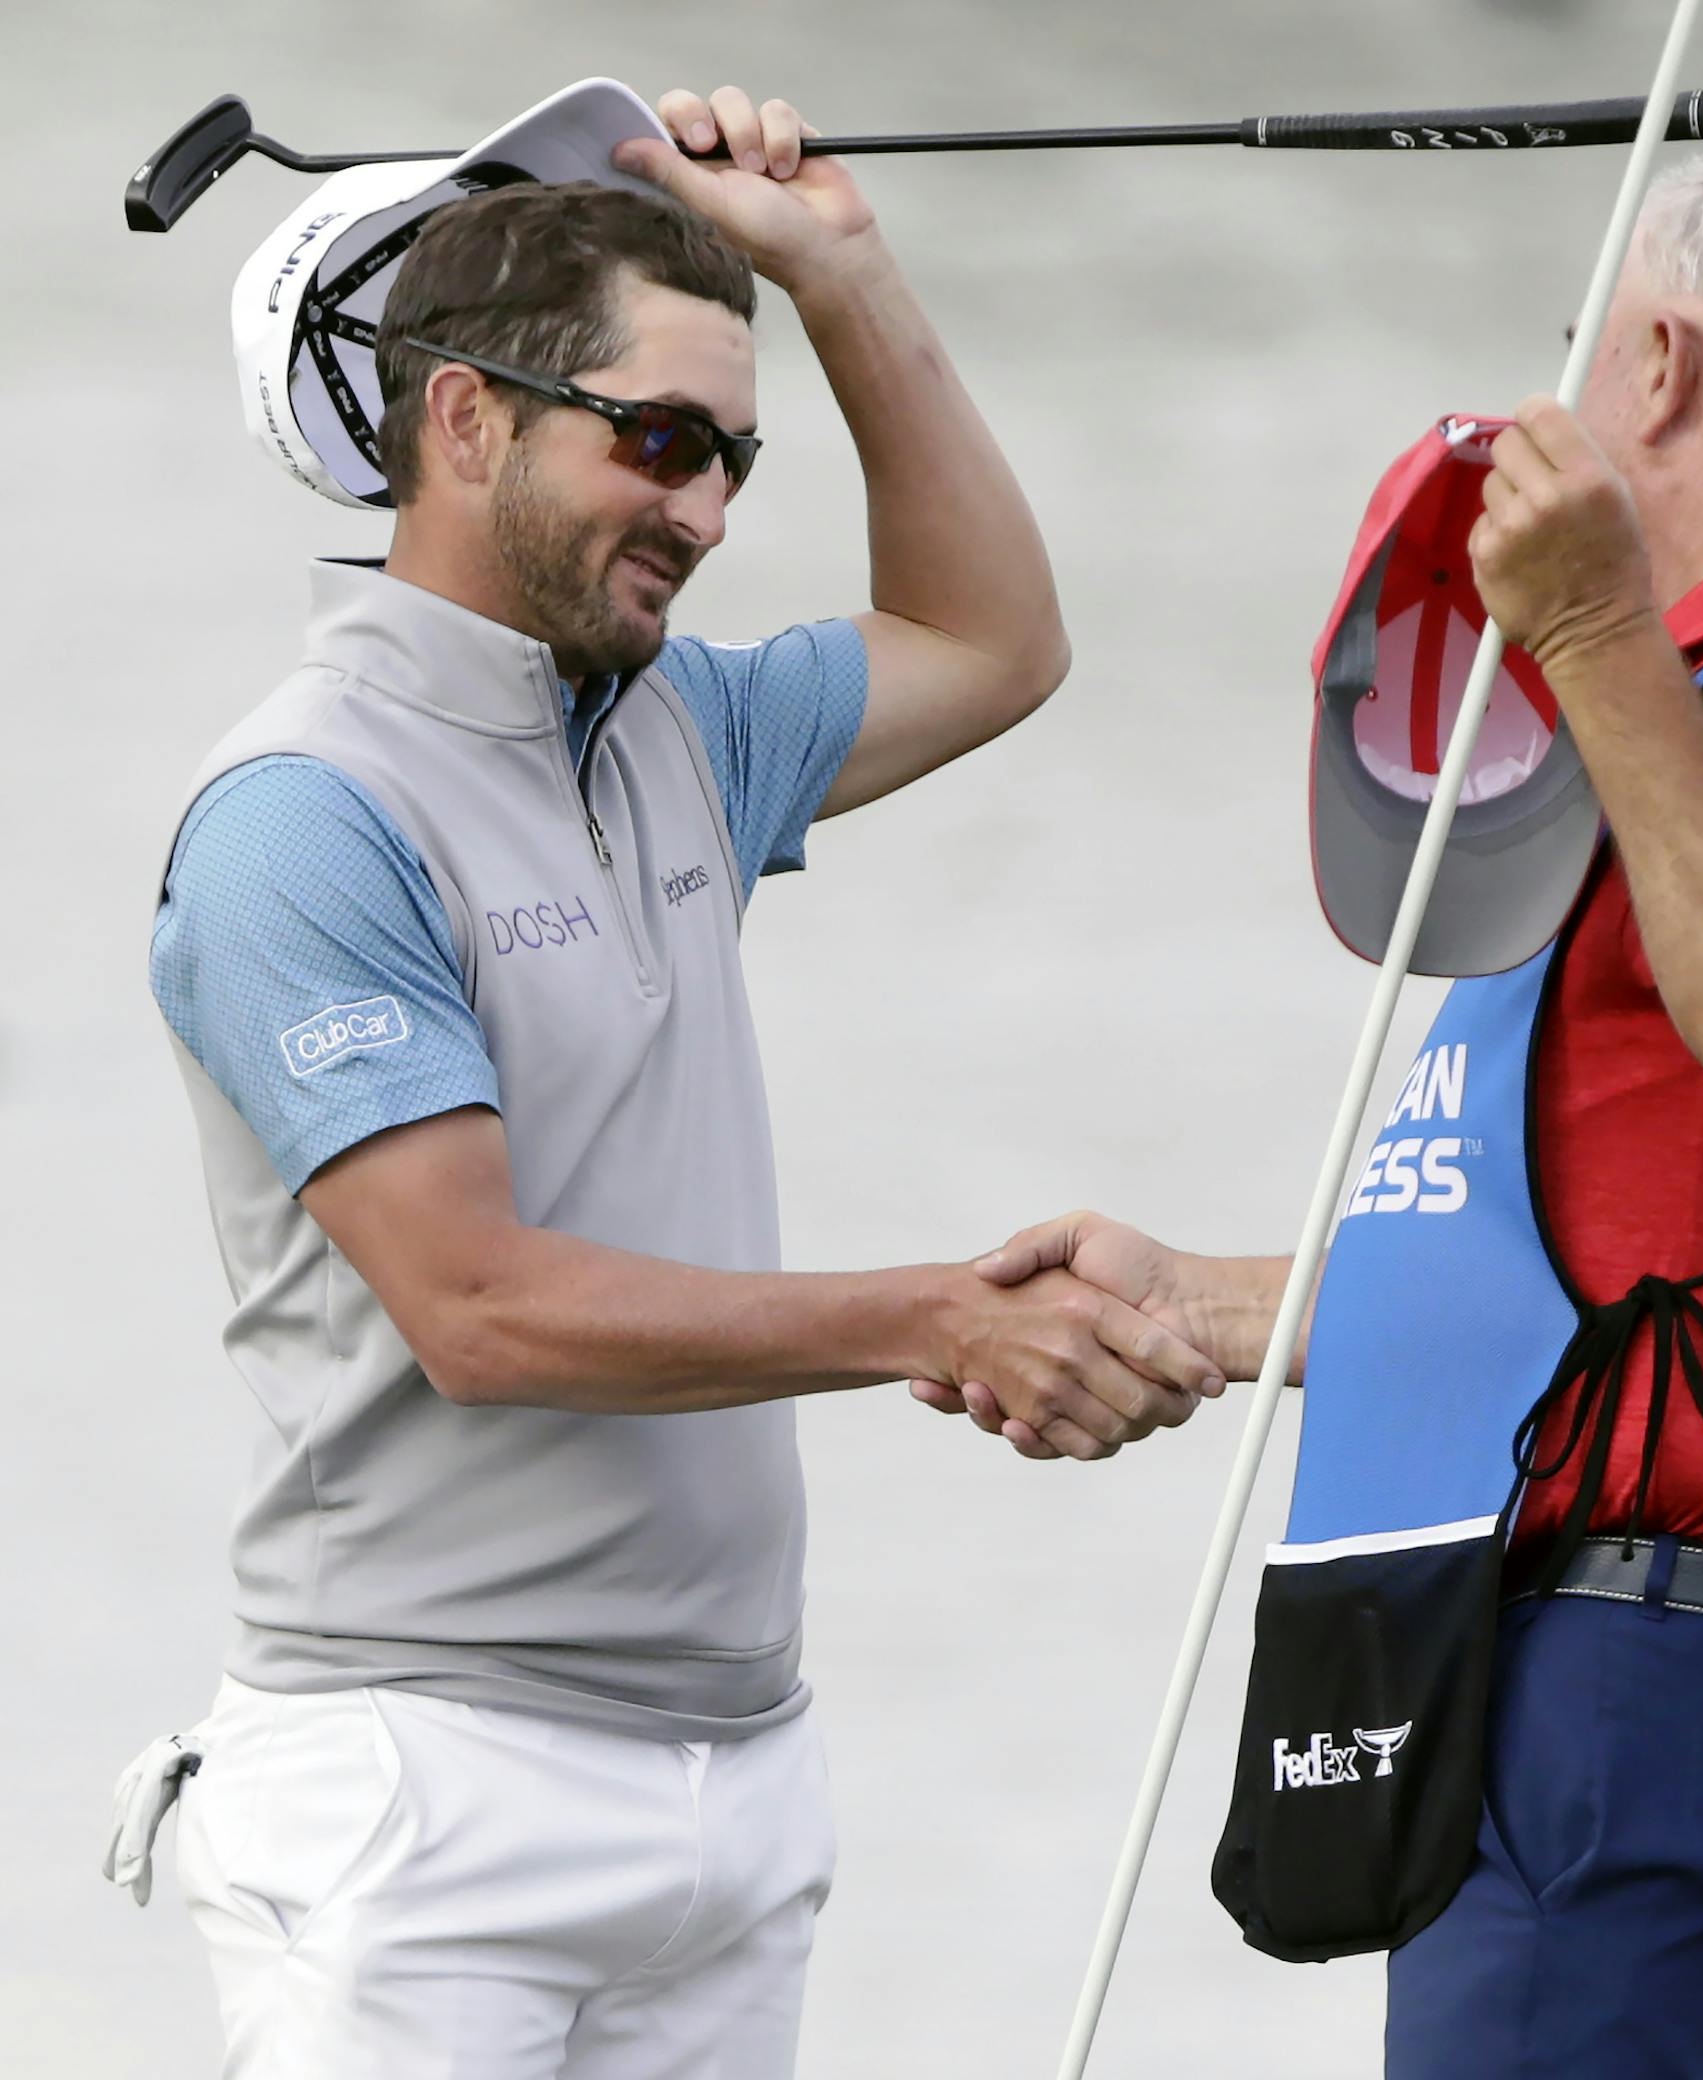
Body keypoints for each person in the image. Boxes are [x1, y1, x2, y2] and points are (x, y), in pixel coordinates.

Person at [923, 136, 1703, 2075]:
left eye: (1587, 344)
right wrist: (1205, 1304)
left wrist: (1601, 635)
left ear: (1664, 370)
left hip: (1653, 1691)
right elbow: (1639, 1236)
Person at [128, 84, 1221, 2080]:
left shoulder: (677, 730)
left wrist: (845, 274)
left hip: (732, 1773)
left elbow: (992, 639)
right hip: (421, 1792)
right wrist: (939, 1316)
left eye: (732, 457)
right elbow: (480, 1308)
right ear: (467, 420)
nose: (708, 515)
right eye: (657, 441)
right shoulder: (305, 809)